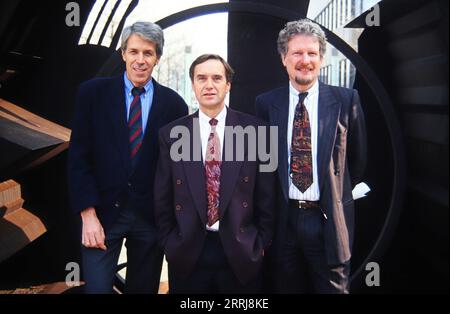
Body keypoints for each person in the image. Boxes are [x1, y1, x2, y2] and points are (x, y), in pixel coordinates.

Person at [68, 21, 188, 293]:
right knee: (97, 290)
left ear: (157, 57)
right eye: (133, 51)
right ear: (123, 53)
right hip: (101, 217)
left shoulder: (174, 105)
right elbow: (79, 158)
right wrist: (87, 214)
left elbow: (179, 171)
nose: (140, 60)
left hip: (150, 222)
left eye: (148, 53)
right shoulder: (92, 94)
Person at [255, 19, 367, 294]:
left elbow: (358, 160)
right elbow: (264, 164)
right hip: (284, 221)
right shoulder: (266, 104)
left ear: (320, 58)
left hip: (328, 220)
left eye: (312, 53)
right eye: (297, 53)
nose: (305, 60)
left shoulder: (346, 101)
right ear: (284, 58)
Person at [154, 54, 275, 294]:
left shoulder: (257, 131)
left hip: (241, 253)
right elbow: (162, 196)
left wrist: (261, 243)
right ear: (193, 84)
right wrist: (170, 243)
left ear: (228, 85)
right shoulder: (172, 134)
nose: (209, 84)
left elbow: (268, 195)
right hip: (187, 254)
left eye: (217, 78)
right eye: (202, 78)